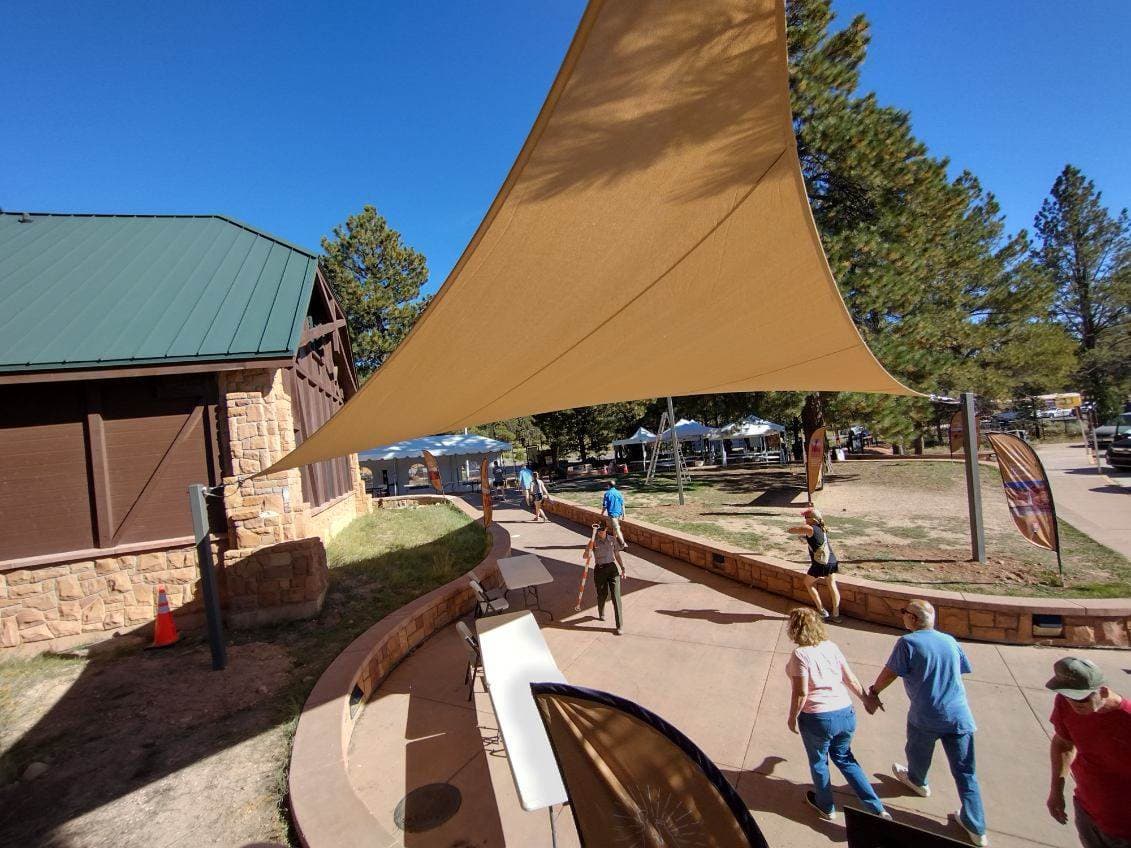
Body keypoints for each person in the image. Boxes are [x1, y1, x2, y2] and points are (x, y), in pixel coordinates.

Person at [866, 600, 987, 847]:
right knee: (965, 772)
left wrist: (874, 691)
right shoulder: (949, 641)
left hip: (926, 714)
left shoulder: (908, 643)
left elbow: (890, 672)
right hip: (959, 715)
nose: (902, 616)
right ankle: (977, 828)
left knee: (917, 751)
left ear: (912, 619)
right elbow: (961, 669)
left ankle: (918, 781)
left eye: (904, 613)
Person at [785, 607, 891, 823]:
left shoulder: (800, 654)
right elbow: (849, 678)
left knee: (819, 762)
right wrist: (866, 699)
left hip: (818, 718)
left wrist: (792, 717)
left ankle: (826, 806)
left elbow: (801, 691)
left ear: (794, 629)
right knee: (845, 758)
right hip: (845, 713)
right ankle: (877, 809)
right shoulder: (831, 647)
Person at [1045, 656, 1131, 848]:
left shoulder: (1127, 719)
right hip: (1087, 813)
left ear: (1103, 691)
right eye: (1068, 696)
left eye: (1082, 699)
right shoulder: (1064, 704)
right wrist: (1056, 791)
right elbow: (1063, 744)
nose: (1075, 704)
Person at [786, 507, 840, 622]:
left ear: (813, 519)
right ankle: (836, 614)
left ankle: (822, 611)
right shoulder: (822, 528)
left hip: (820, 564)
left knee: (808, 583)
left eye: (806, 517)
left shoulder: (809, 528)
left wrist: (795, 530)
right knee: (832, 585)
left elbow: (792, 530)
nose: (805, 519)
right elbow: (815, 540)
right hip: (831, 560)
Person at [586, 522, 626, 634]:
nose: (600, 532)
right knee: (602, 594)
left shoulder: (612, 540)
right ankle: (601, 612)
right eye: (598, 530)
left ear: (606, 529)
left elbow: (617, 554)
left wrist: (622, 567)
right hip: (600, 570)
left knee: (616, 597)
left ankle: (619, 626)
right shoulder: (593, 541)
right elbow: (585, 555)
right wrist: (588, 551)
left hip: (612, 569)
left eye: (602, 530)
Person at [600, 480, 628, 548]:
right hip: (618, 513)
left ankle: (623, 543)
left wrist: (602, 513)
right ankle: (614, 543)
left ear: (608, 486)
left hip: (613, 514)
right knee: (615, 528)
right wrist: (624, 514)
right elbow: (622, 504)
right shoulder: (618, 493)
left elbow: (605, 506)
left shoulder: (607, 494)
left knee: (616, 528)